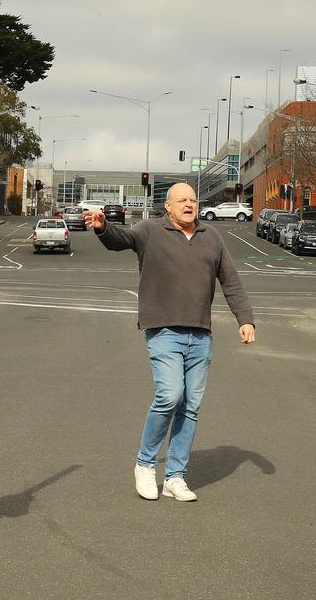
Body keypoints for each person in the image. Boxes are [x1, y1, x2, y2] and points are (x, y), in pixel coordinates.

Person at [84, 183, 256, 502]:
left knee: (190, 408)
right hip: (163, 330)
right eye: (182, 200)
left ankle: (176, 476)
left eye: (193, 200)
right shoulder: (150, 230)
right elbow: (121, 239)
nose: (189, 205)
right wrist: (102, 227)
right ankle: (145, 465)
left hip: (200, 334)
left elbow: (231, 280)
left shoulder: (212, 237)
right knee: (169, 395)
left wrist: (245, 318)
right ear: (168, 206)